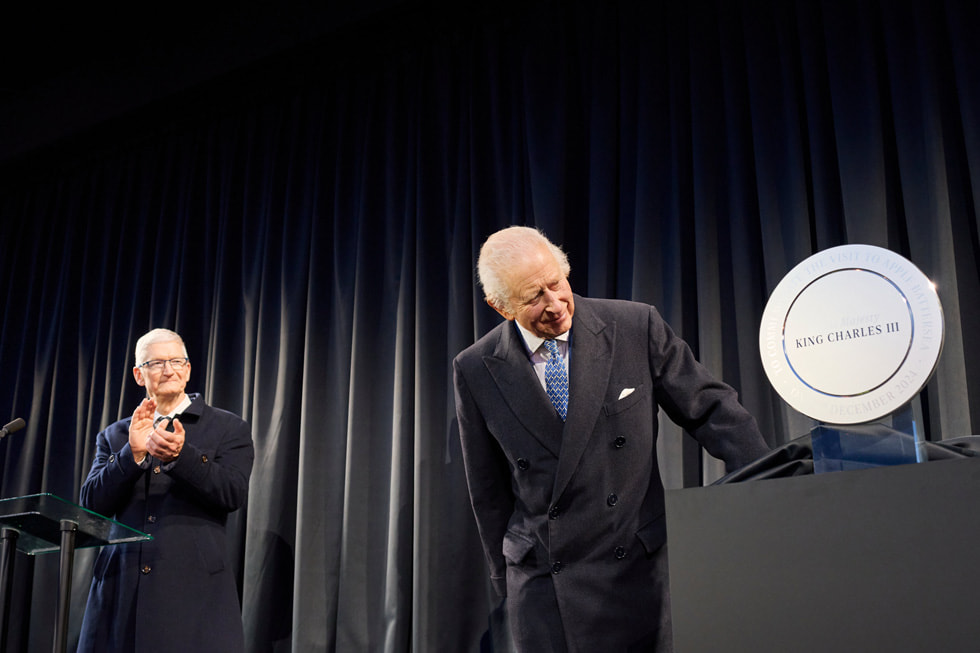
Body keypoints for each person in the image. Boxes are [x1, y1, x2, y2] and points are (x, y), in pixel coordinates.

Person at [453, 226, 770, 652]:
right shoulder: (475, 368)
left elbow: (712, 411)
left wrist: (769, 489)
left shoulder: (633, 326)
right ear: (500, 306)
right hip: (545, 582)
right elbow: (486, 489)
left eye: (556, 283)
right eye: (533, 297)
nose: (555, 304)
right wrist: (505, 576)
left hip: (634, 570)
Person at [77, 328, 254, 653]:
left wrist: (181, 457)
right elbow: (91, 505)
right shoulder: (115, 435)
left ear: (187, 369)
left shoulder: (228, 427)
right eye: (156, 363)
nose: (168, 370)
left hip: (193, 591)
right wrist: (132, 456)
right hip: (121, 589)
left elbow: (233, 493)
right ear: (138, 374)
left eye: (176, 361)